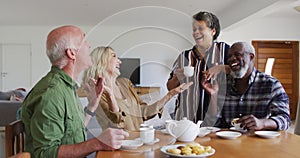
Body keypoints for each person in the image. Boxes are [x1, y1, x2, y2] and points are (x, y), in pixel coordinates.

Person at [21, 25, 129, 158]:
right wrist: (97, 143)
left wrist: (92, 105)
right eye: (84, 41)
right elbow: (44, 153)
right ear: (71, 53)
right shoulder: (51, 93)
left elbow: (72, 131)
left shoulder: (67, 87)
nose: (89, 45)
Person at [81, 46, 193, 131]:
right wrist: (111, 96)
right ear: (102, 61)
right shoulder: (97, 93)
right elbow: (116, 126)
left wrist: (170, 94)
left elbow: (143, 112)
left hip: (138, 141)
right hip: (118, 146)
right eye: (114, 56)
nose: (119, 61)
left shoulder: (125, 83)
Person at [202, 42, 290, 130]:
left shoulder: (271, 84)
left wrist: (262, 123)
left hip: (258, 141)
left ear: (251, 57)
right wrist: (213, 96)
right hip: (229, 141)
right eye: (229, 56)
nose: (232, 59)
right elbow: (213, 123)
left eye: (237, 54)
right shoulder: (223, 84)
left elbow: (285, 119)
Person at [166, 11, 230, 123]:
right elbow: (170, 87)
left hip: (216, 121)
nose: (196, 32)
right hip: (185, 119)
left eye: (200, 28)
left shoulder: (224, 50)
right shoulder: (184, 56)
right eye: (194, 29)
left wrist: (221, 68)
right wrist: (177, 77)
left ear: (213, 31)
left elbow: (240, 72)